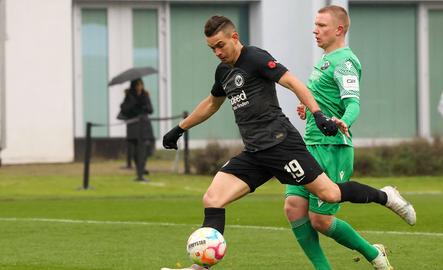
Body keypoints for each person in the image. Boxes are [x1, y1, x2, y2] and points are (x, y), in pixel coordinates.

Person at [161, 15, 415, 270]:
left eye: (220, 45)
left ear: (234, 38)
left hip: (281, 145)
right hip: (255, 152)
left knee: (330, 194)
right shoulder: (223, 71)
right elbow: (211, 103)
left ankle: (385, 196)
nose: (217, 52)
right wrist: (179, 128)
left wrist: (318, 114)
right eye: (212, 48)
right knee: (213, 198)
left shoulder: (256, 58)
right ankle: (200, 268)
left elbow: (293, 82)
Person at [284, 6, 393, 270]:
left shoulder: (344, 61)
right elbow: (322, 100)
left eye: (321, 25)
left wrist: (345, 120)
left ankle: (373, 254)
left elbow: (353, 103)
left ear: (339, 30)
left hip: (333, 147)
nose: (315, 30)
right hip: (309, 145)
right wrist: (308, 110)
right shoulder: (324, 60)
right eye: (315, 24)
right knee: (293, 206)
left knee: (320, 220)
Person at [120, 78, 155, 182]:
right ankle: (139, 170)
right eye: (138, 85)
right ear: (134, 86)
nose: (140, 87)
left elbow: (150, 109)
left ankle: (141, 169)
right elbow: (125, 109)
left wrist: (142, 104)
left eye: (141, 85)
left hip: (144, 126)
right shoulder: (129, 96)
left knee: (144, 149)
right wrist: (133, 101)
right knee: (135, 151)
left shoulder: (145, 95)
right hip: (133, 127)